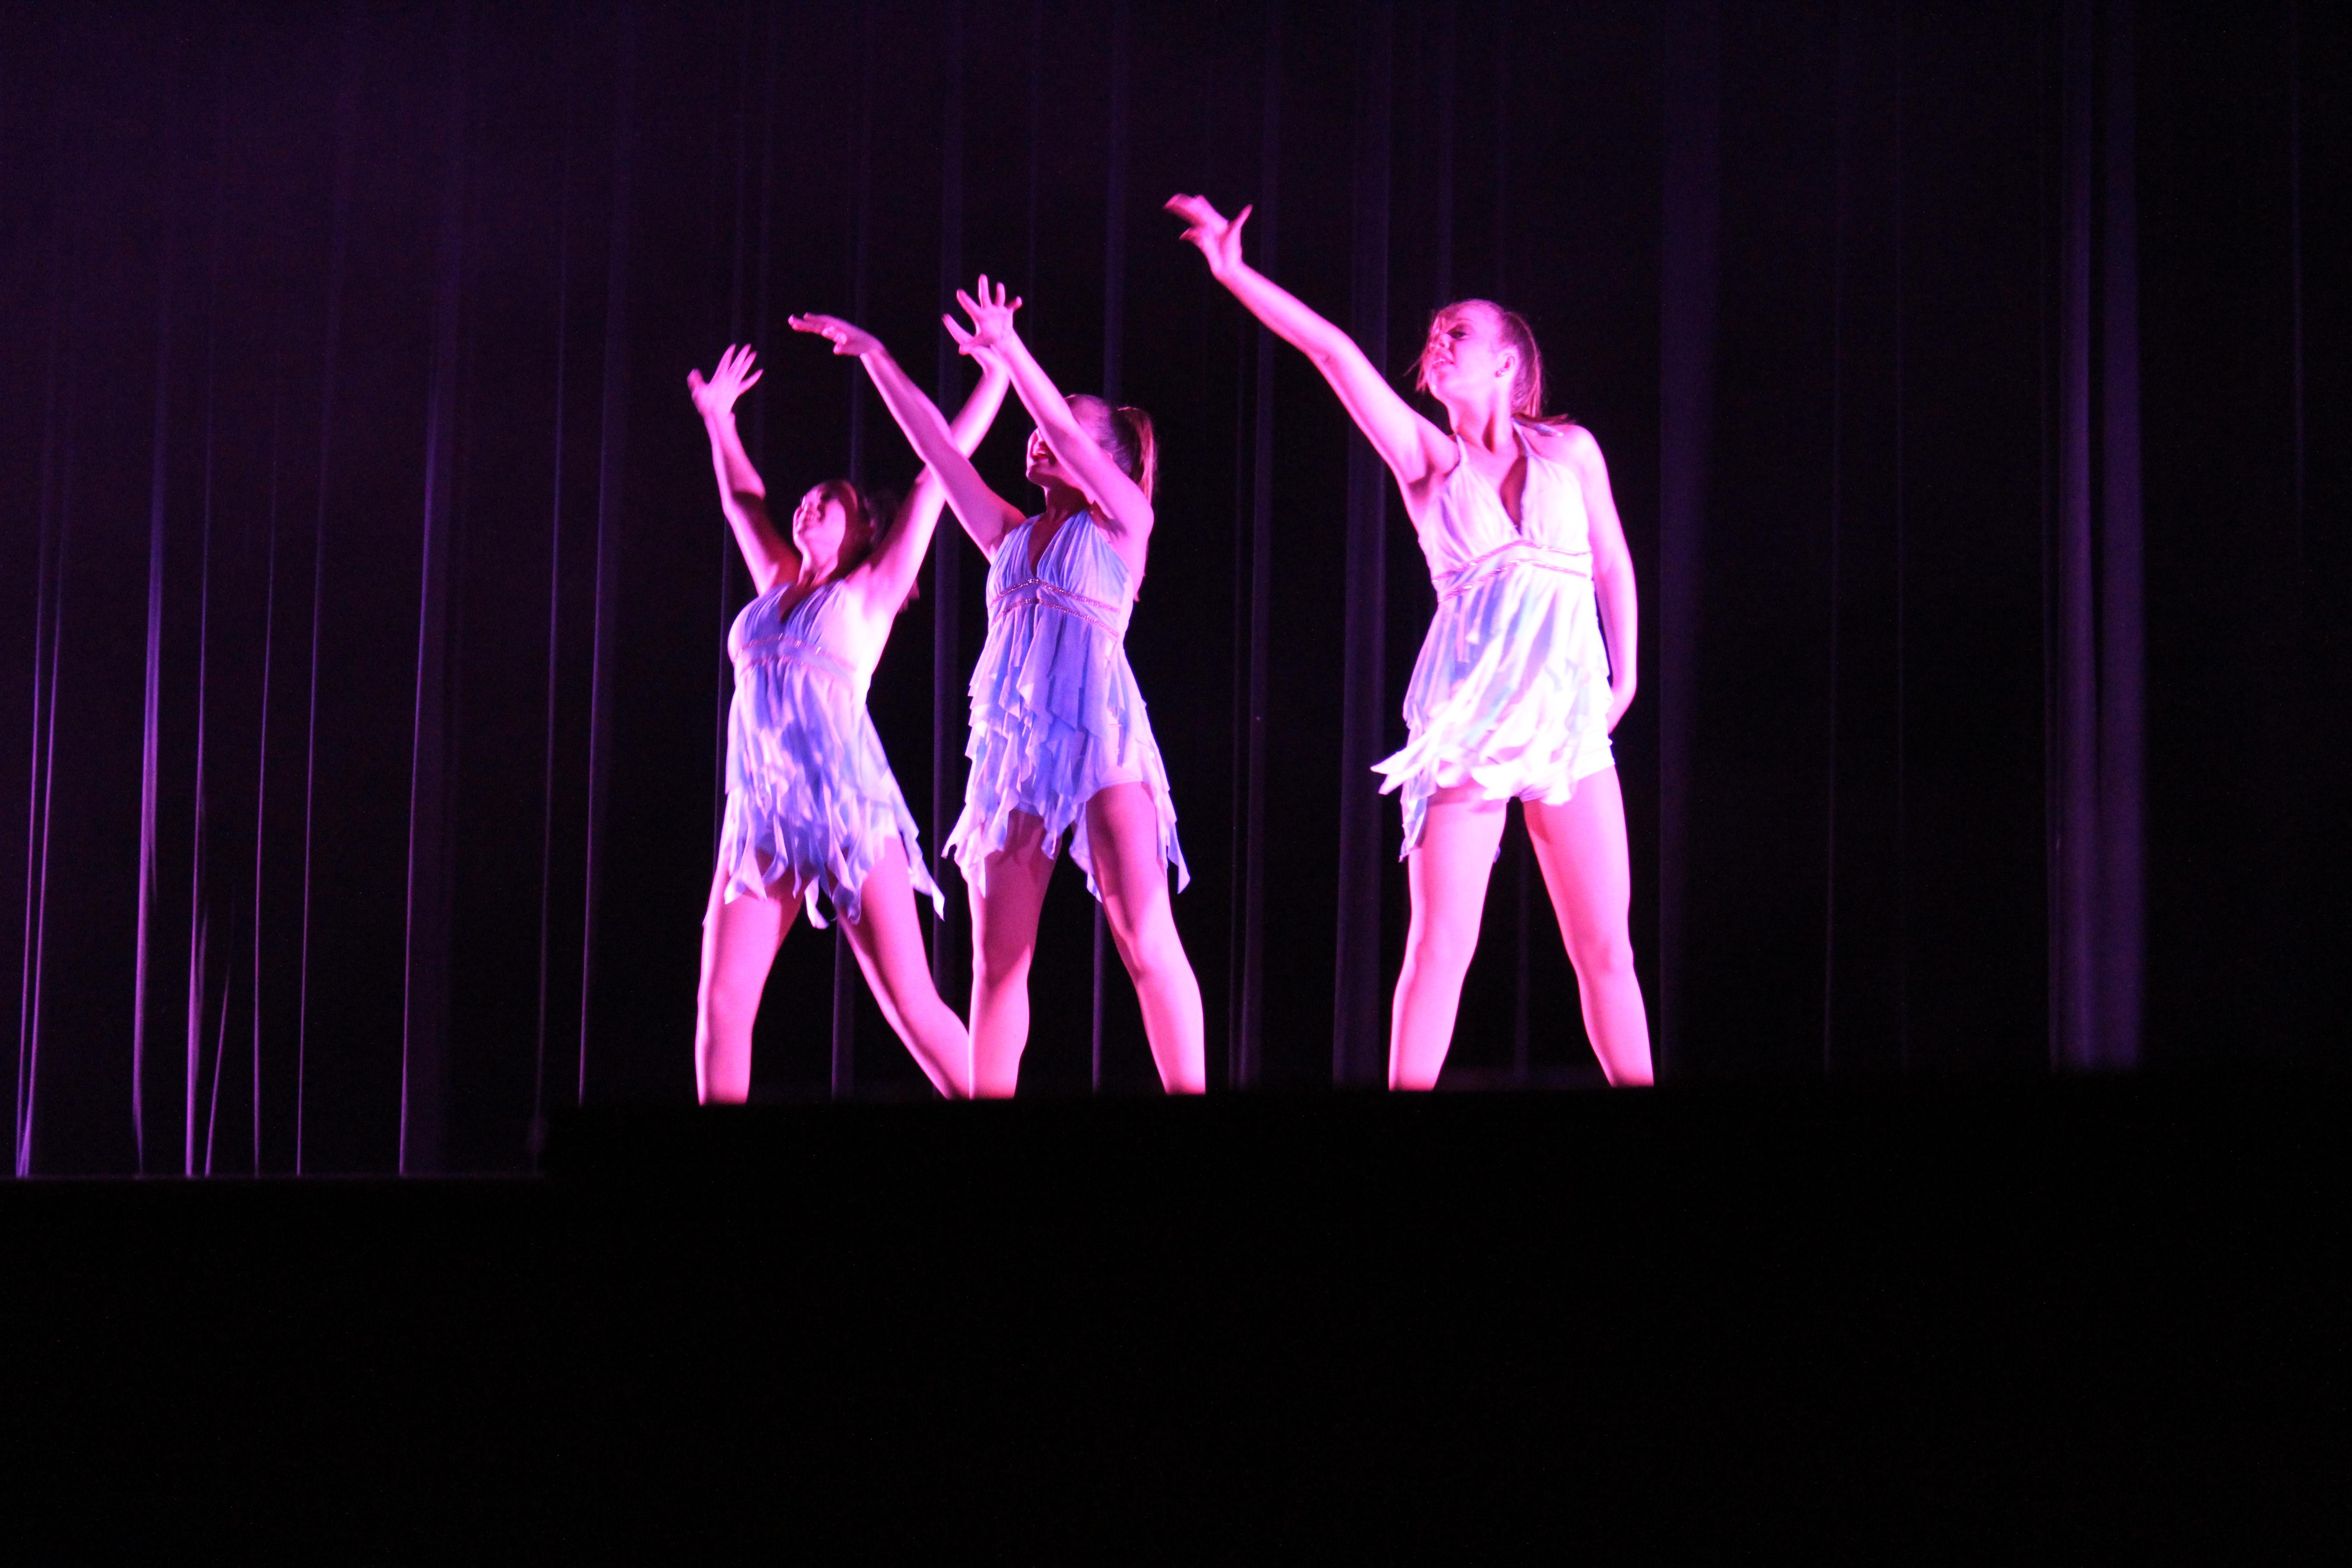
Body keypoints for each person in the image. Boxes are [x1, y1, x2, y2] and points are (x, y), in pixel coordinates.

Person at [1168, 194, 1653, 1088]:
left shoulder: (1573, 453)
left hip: (1569, 722)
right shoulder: (1429, 460)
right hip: (1468, 724)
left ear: (1506, 361)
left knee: (1607, 952)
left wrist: (1623, 680)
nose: (1437, 343)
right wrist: (1234, 272)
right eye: (1433, 334)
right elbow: (1332, 353)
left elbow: (1614, 565)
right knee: (1439, 948)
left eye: (1456, 333)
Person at [799, 281, 1206, 1096]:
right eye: (1037, 428)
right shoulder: (1009, 537)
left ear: (1111, 461)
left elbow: (1064, 428)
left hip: (1101, 734)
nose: (1040, 435)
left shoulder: (1124, 522)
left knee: (1144, 938)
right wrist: (878, 358)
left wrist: (1011, 352)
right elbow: (939, 453)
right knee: (996, 964)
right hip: (1015, 752)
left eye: (1063, 429)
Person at [688, 334, 1008, 1103]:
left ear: (862, 527)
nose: (807, 505)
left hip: (848, 807)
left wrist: (996, 376)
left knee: (910, 1004)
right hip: (762, 813)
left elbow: (939, 471)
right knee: (723, 1005)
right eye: (805, 498)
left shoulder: (870, 591)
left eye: (826, 501)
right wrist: (719, 418)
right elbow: (743, 500)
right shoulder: (775, 583)